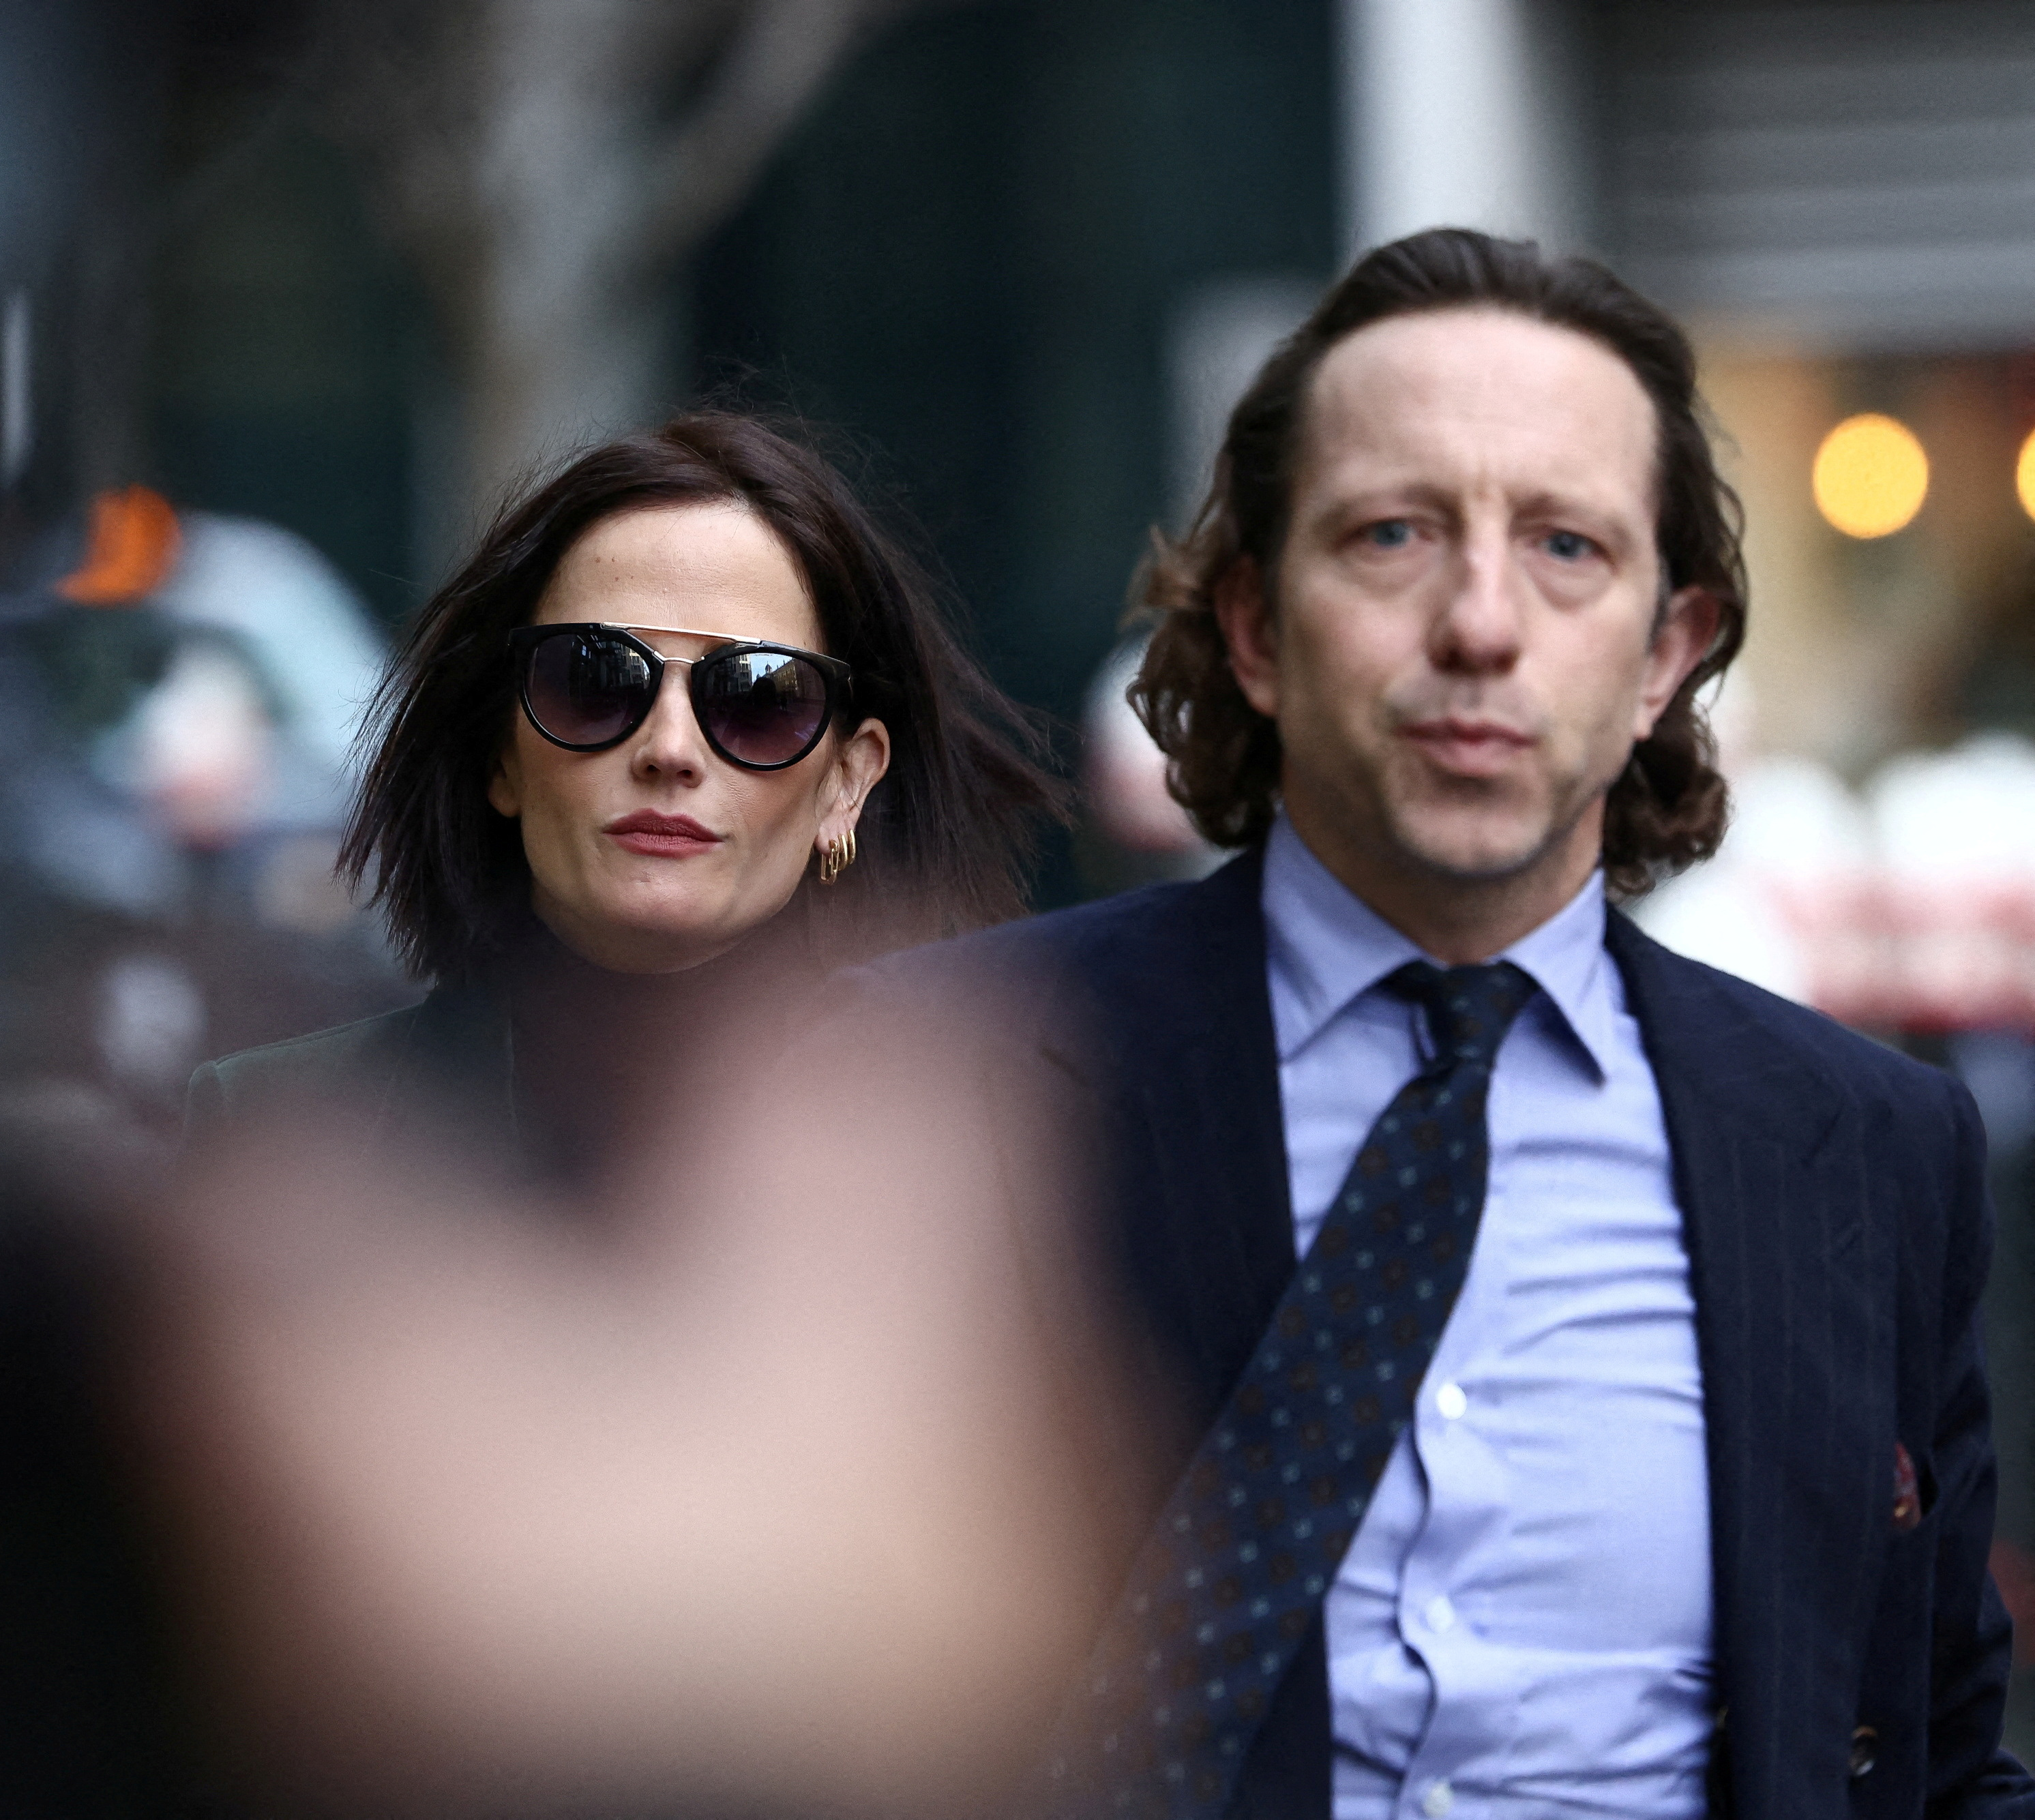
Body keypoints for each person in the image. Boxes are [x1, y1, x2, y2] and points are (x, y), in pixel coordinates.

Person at [879, 228, 2035, 1820]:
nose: (1480, 623)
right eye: (1393, 533)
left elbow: (1942, 1753)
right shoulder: (938, 1087)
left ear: (1665, 657)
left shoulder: (1870, 1151)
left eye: (1566, 546)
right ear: (1254, 629)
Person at [185, 410, 1058, 1164]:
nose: (669, 748)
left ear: (846, 784)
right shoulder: (277, 1143)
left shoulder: (1001, 1166)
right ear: (499, 754)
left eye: (756, 696)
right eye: (594, 679)